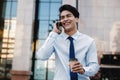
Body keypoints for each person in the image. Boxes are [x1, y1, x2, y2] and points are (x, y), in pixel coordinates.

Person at [36, 4, 99, 80]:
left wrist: (83, 70)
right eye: (62, 17)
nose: (65, 19)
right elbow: (42, 56)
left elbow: (94, 67)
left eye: (68, 16)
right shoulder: (55, 39)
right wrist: (53, 33)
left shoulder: (89, 41)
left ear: (76, 19)